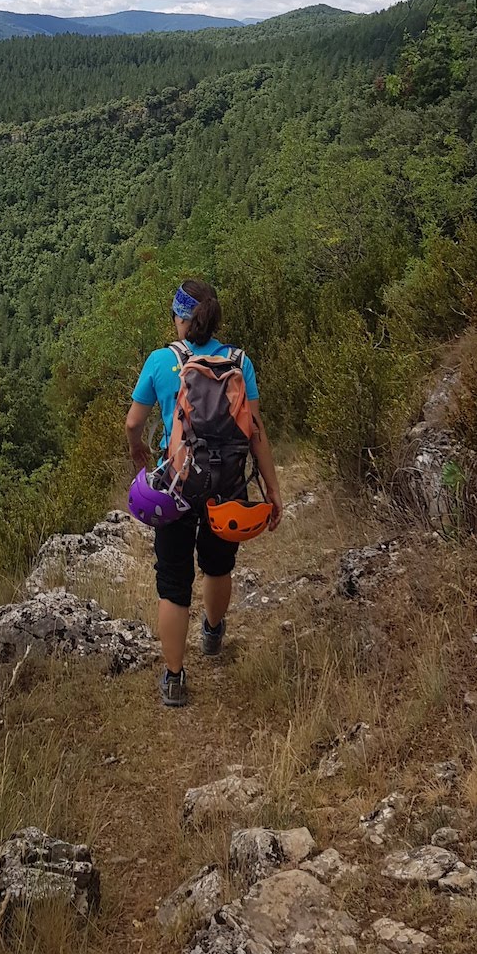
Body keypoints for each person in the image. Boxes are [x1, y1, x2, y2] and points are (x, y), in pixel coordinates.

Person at [124, 278, 283, 707]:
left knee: (173, 582)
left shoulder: (160, 361)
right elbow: (256, 432)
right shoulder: (238, 361)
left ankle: (174, 679)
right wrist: (271, 489)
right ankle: (212, 632)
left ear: (180, 318)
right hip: (225, 483)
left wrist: (138, 448)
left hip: (177, 485)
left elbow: (132, 423)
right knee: (217, 566)